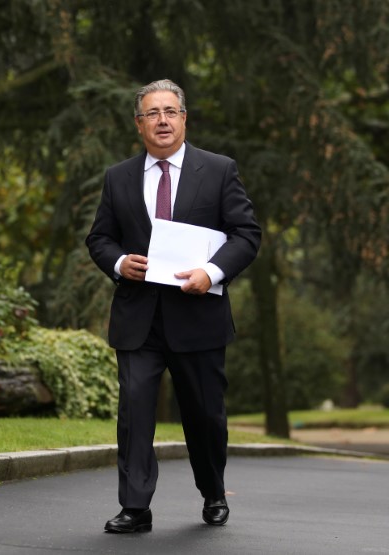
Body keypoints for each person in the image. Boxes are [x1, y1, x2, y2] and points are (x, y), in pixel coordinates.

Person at [85, 79, 261, 533]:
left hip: (198, 317)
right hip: (138, 320)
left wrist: (212, 272)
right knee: (136, 411)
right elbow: (100, 238)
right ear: (139, 124)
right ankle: (136, 507)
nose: (162, 120)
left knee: (204, 415)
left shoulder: (219, 170)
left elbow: (246, 235)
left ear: (184, 118)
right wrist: (120, 262)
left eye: (170, 111)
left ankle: (213, 491)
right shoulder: (118, 177)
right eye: (152, 113)